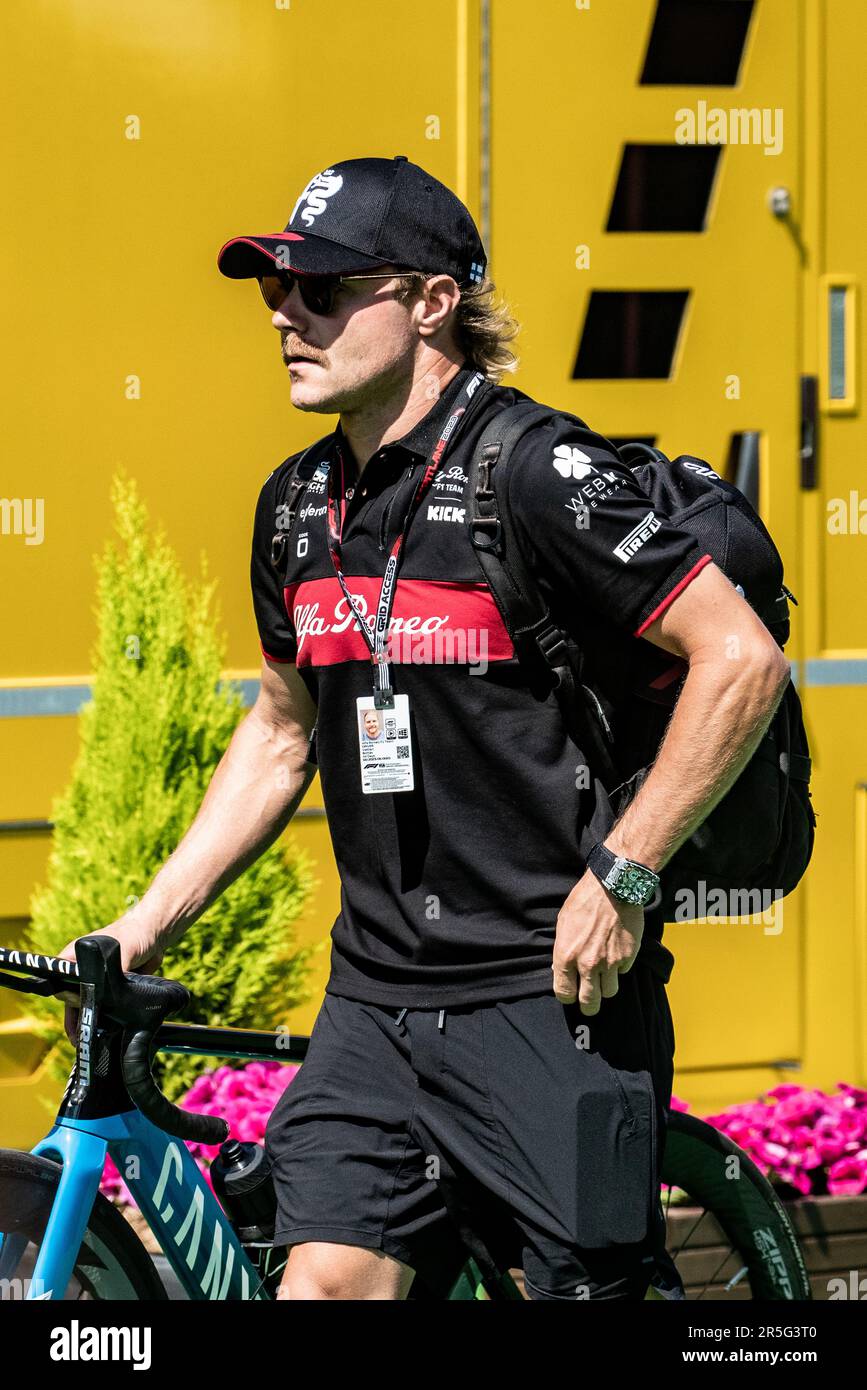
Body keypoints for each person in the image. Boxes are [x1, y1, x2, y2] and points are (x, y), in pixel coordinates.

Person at [61, 155, 791, 1301]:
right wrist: (146, 921)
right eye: (274, 294)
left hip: (548, 994)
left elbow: (740, 657)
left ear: (432, 301)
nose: (286, 318)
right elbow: (281, 731)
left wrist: (627, 876)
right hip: (374, 1000)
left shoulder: (538, 472)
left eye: (323, 292)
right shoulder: (297, 505)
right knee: (324, 1287)